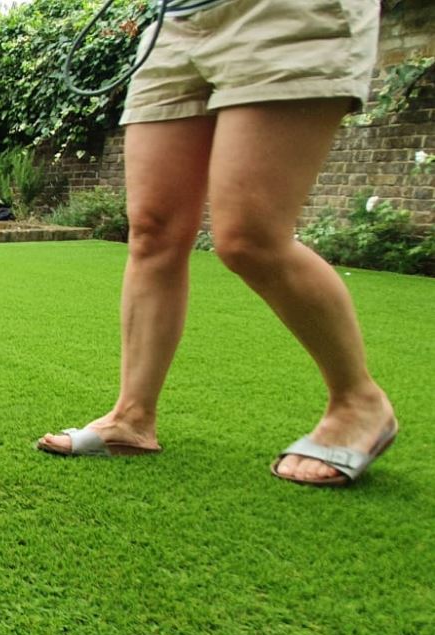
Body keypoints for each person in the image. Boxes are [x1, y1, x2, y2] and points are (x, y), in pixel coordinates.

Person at [37, 0, 398, 486]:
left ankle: (359, 401)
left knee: (250, 238)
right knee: (153, 231)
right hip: (177, 22)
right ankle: (133, 417)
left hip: (286, 13)